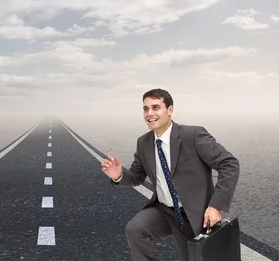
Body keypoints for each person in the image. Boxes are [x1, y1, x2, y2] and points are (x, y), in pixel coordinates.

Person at [101, 88, 240, 261]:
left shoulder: (193, 135)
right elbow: (137, 176)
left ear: (170, 110)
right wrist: (118, 175)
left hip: (194, 214)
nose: (149, 113)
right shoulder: (144, 142)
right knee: (135, 229)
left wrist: (215, 206)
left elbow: (229, 164)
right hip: (164, 211)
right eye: (146, 108)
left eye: (156, 107)